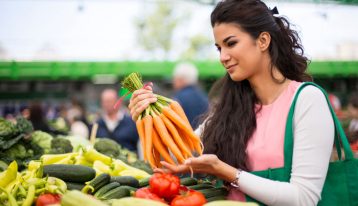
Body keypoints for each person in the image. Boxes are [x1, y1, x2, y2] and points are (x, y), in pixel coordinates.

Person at [128, 0, 335, 205]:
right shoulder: (229, 108)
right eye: (219, 48)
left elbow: (303, 199)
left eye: (231, 43)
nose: (223, 57)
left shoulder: (307, 100)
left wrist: (226, 172)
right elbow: (175, 160)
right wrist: (148, 119)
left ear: (263, 41)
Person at [172, 62, 209, 129]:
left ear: (181, 80)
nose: (173, 81)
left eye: (175, 78)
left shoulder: (178, 98)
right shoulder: (203, 97)